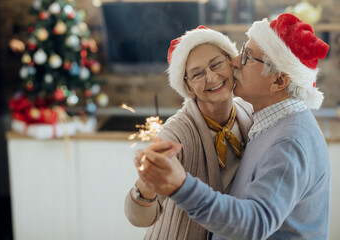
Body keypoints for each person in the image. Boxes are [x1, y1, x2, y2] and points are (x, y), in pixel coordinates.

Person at [136, 13, 331, 239]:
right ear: (187, 86)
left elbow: (255, 223)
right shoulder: (266, 121)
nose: (236, 61)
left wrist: (182, 186)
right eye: (197, 74)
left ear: (279, 81)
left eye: (247, 56)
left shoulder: (288, 142)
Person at [124, 26, 253, 239]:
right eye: (197, 74)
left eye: (216, 64)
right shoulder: (176, 132)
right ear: (188, 88)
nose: (211, 78)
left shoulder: (248, 112)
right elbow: (138, 217)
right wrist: (145, 184)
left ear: (231, 63)